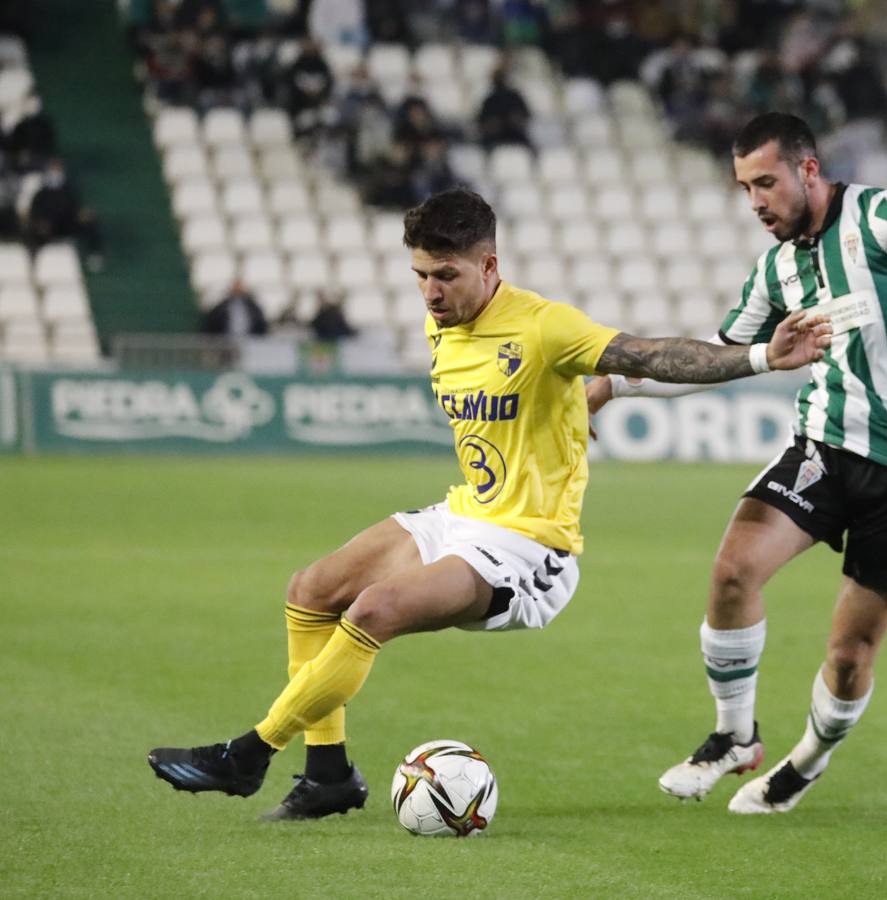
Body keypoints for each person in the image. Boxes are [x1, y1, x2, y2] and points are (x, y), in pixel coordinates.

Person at [146, 188, 831, 819]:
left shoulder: (543, 325)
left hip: (530, 547)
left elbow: (648, 355)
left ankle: (249, 755)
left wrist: (761, 358)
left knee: (372, 611)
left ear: (489, 265)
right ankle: (327, 777)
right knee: (311, 590)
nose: (430, 293)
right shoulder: (440, 325)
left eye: (445, 275)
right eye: (419, 275)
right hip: (465, 514)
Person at [587, 113, 887, 814]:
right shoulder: (775, 268)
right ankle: (733, 734)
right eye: (745, 187)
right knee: (733, 570)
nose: (755, 202)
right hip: (825, 446)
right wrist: (616, 384)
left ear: (809, 170)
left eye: (766, 183)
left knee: (848, 657)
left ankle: (806, 761)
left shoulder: (879, 215)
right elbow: (719, 355)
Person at [200, 279, 268, 337]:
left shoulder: (253, 308)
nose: (237, 290)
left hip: (249, 341)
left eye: (240, 288)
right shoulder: (221, 307)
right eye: (236, 288)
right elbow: (212, 323)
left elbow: (261, 324)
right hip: (226, 343)